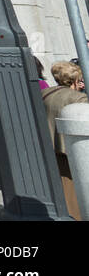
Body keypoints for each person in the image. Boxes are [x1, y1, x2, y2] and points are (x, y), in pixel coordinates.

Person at [43, 61, 87, 220]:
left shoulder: (46, 93)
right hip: (72, 149)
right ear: (75, 79)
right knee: (74, 190)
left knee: (61, 187)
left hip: (50, 146)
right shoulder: (78, 98)